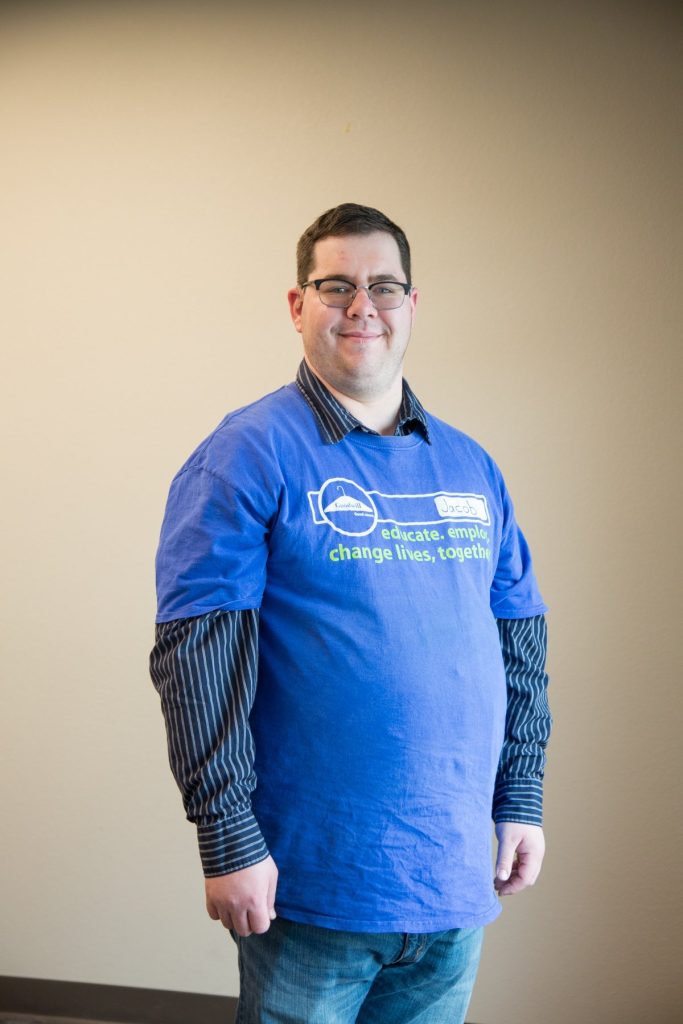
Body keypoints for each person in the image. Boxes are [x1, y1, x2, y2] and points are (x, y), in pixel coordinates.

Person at [150, 203, 551, 1024]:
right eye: (334, 285)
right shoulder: (246, 452)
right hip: (313, 880)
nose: (361, 305)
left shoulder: (470, 465)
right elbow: (198, 653)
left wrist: (521, 796)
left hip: (448, 882)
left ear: (411, 305)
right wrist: (227, 836)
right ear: (297, 306)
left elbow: (518, 641)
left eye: (383, 286)